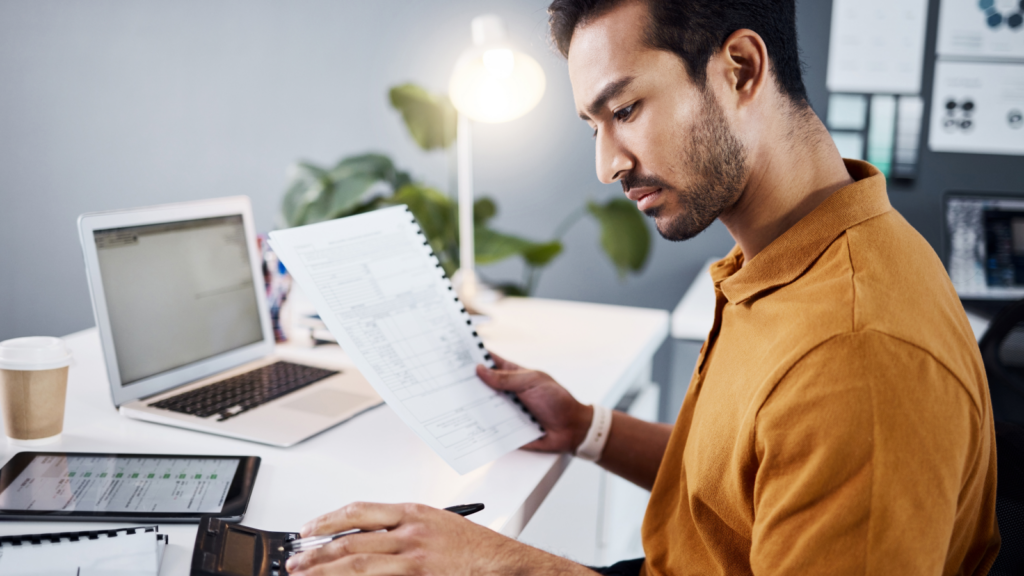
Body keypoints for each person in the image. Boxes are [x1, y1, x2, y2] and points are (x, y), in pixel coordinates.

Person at [286, 1, 1001, 574]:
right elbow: (748, 479)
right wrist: (587, 429)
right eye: (594, 125)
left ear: (741, 68)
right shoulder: (791, 253)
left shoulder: (856, 356)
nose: (606, 166)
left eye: (625, 111)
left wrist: (492, 565)